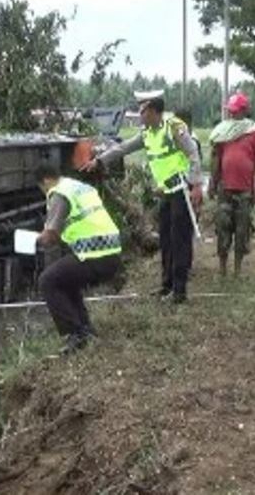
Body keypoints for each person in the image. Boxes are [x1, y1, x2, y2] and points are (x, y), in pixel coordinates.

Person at [84, 92, 203, 304]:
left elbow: (193, 153)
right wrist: (99, 161)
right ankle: (166, 286)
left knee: (179, 241)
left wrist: (196, 185)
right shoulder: (147, 133)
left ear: (155, 111)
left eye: (143, 110)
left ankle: (179, 291)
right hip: (165, 192)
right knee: (165, 240)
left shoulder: (173, 127)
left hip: (181, 190)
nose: (140, 115)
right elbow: (123, 148)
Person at [34, 164, 122, 354]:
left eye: (42, 188)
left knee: (47, 281)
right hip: (112, 253)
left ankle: (76, 334)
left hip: (95, 255)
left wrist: (34, 239)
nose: (44, 192)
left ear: (46, 181)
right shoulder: (77, 186)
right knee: (67, 279)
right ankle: (85, 330)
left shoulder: (59, 194)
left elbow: (50, 236)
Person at [208, 92, 255, 276]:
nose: (232, 115)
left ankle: (238, 270)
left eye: (235, 111)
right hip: (225, 188)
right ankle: (222, 269)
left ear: (244, 111)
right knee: (222, 228)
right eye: (230, 111)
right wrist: (212, 182)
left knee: (242, 230)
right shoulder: (222, 132)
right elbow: (216, 158)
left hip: (245, 191)